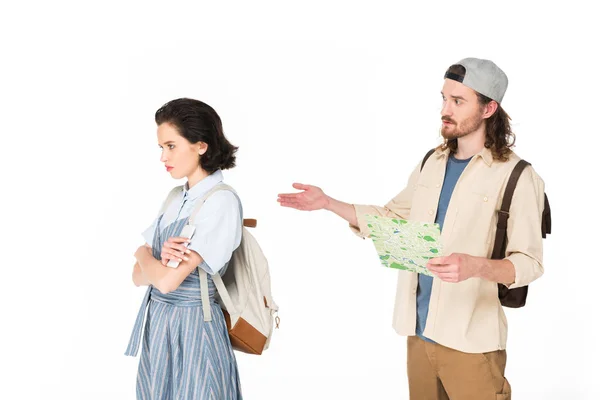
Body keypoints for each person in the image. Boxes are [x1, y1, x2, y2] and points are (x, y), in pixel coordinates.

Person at [278, 58, 545, 400]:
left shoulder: (518, 176)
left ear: (489, 108)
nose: (445, 110)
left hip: (471, 341)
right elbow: (391, 218)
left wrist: (475, 266)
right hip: (419, 333)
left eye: (458, 102)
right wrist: (330, 203)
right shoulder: (431, 163)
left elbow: (529, 263)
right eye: (444, 99)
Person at [125, 98, 244, 399]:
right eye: (161, 148)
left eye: (171, 146)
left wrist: (143, 254)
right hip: (160, 323)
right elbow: (136, 278)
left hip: (194, 327)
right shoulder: (176, 198)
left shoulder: (220, 201)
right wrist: (149, 258)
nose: (163, 157)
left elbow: (165, 281)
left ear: (201, 146)